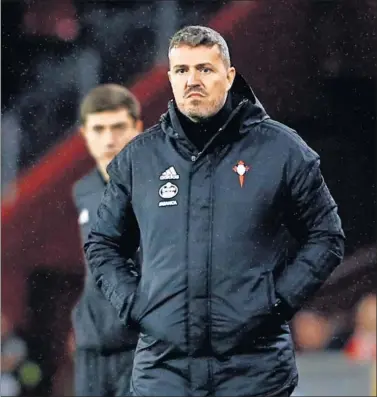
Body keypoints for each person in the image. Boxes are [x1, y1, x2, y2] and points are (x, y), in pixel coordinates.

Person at [84, 26, 345, 396]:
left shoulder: (282, 150)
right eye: (182, 70)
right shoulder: (139, 159)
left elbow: (327, 237)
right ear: (171, 78)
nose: (193, 80)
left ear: (229, 75)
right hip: (164, 372)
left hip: (255, 371)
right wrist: (134, 304)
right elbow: (103, 243)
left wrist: (277, 301)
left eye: (205, 69)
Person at [71, 84, 143, 396]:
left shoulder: (159, 187)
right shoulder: (82, 190)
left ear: (137, 128)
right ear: (84, 133)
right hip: (91, 346)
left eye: (118, 127)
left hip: (140, 345)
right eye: (98, 129)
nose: (109, 138)